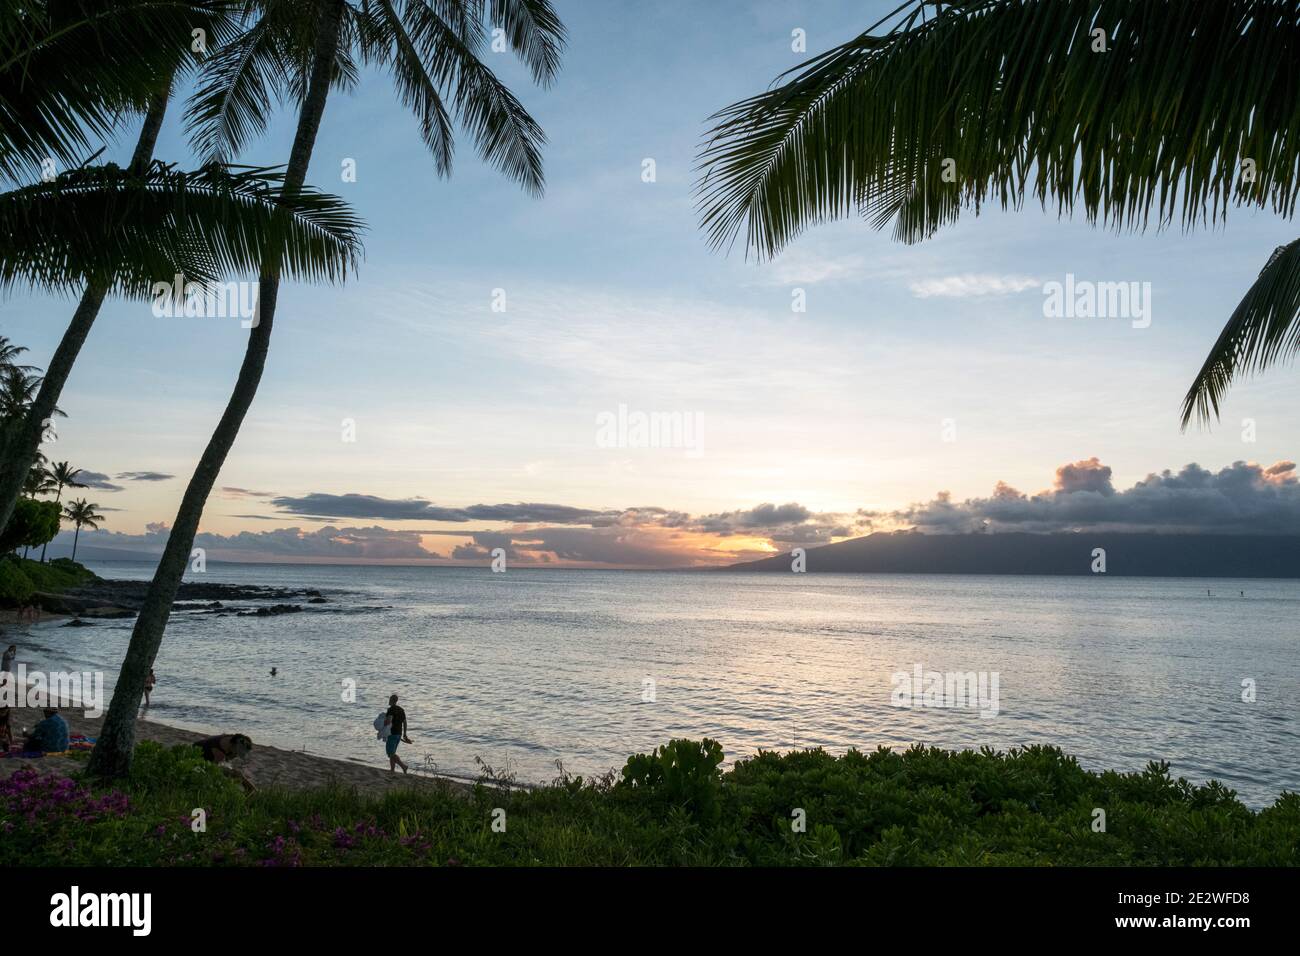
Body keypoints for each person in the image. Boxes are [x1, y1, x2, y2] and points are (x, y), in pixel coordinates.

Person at [384, 693, 412, 773]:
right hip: (399, 734)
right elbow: (405, 722)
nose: (389, 701)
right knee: (393, 752)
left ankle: (403, 766)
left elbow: (388, 721)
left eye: (389, 699)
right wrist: (405, 734)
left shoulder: (391, 709)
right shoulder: (401, 710)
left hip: (392, 733)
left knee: (390, 753)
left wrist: (383, 723)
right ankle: (392, 770)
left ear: (391, 700)